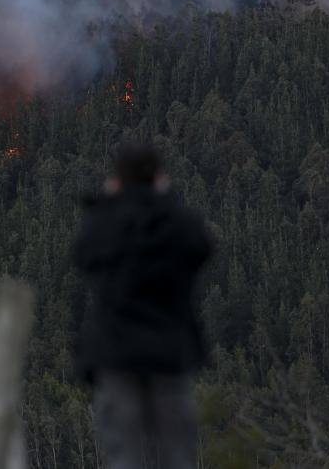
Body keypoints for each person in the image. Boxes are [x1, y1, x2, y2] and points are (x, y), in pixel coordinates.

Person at [73, 144, 213, 469]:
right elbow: (201, 246)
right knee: (178, 455)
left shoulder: (106, 225)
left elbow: (83, 254)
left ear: (117, 180)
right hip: (169, 356)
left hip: (116, 357)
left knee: (123, 456)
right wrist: (163, 200)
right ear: (159, 178)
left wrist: (111, 202)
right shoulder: (175, 224)